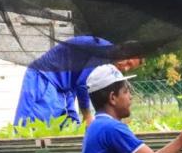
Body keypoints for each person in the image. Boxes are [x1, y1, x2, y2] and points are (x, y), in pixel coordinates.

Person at [14, 36, 142, 127]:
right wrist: (87, 117)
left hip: (67, 89)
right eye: (128, 62)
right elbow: (83, 84)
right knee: (32, 124)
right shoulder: (105, 51)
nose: (125, 68)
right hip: (45, 77)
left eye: (130, 68)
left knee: (71, 126)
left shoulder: (110, 64)